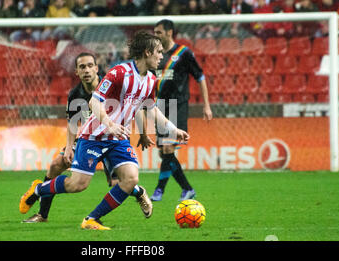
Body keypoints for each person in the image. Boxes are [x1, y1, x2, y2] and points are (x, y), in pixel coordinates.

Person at [21, 31, 189, 230]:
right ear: (147, 52)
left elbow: (150, 109)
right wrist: (110, 124)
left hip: (118, 139)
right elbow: (94, 101)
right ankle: (38, 189)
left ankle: (91, 219)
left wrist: (172, 129)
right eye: (159, 52)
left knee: (130, 178)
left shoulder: (151, 80)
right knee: (78, 185)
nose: (162, 56)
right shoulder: (119, 73)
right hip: (94, 136)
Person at [20, 52, 153, 223]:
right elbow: (73, 122)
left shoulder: (111, 84)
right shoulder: (75, 94)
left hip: (112, 139)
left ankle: (138, 192)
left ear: (97, 69)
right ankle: (42, 214)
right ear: (76, 71)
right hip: (90, 139)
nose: (87, 70)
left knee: (117, 183)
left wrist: (142, 133)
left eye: (90, 66)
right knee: (56, 165)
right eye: (82, 67)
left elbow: (137, 105)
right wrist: (69, 147)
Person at [151, 19, 212, 202]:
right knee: (164, 152)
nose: (156, 35)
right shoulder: (156, 54)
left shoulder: (183, 53)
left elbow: (200, 77)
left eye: (159, 32)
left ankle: (159, 190)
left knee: (168, 147)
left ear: (169, 33)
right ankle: (187, 188)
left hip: (178, 105)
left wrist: (206, 105)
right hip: (160, 106)